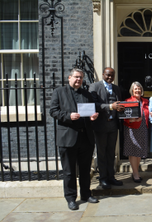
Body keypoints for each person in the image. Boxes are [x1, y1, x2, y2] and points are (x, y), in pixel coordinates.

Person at [49, 68, 99, 210]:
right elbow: (53, 111)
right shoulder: (59, 92)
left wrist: (92, 117)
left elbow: (91, 112)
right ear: (69, 78)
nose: (78, 80)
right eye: (76, 77)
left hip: (85, 138)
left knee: (85, 170)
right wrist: (68, 116)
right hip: (68, 138)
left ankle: (85, 194)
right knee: (69, 171)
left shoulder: (87, 94)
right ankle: (71, 198)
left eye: (81, 77)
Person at [89, 67, 125, 189]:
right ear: (103, 74)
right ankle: (103, 178)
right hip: (100, 125)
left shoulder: (116, 88)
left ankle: (111, 177)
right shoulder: (95, 87)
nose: (110, 77)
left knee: (111, 153)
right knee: (102, 153)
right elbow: (94, 105)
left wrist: (120, 108)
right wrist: (110, 106)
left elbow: (119, 105)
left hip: (113, 125)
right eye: (107, 75)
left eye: (112, 75)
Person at [123, 82, 149, 183]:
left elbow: (148, 113)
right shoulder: (127, 101)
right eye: (135, 89)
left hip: (143, 128)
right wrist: (133, 120)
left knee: (139, 151)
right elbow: (124, 117)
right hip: (132, 128)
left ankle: (136, 171)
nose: (137, 90)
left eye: (139, 88)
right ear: (132, 91)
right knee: (133, 151)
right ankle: (135, 173)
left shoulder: (145, 101)